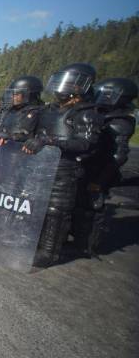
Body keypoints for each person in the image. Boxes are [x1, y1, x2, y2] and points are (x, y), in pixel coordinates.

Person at [22, 63, 103, 267]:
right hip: (42, 165)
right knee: (35, 204)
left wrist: (51, 141)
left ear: (80, 86)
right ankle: (33, 242)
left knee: (55, 211)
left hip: (65, 168)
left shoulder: (86, 113)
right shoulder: (49, 110)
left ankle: (48, 252)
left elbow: (86, 143)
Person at [74, 77, 136, 255]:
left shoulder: (120, 122)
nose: (101, 96)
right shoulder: (100, 114)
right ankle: (76, 238)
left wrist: (100, 181)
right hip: (87, 166)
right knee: (78, 204)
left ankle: (86, 246)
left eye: (106, 94)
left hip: (100, 171)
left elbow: (118, 156)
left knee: (92, 208)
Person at [0, 76, 43, 145]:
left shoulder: (41, 114)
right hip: (1, 149)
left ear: (30, 95)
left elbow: (39, 137)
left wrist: (9, 136)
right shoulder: (7, 110)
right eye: (12, 94)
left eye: (17, 94)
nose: (13, 97)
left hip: (21, 151)